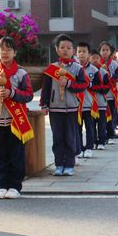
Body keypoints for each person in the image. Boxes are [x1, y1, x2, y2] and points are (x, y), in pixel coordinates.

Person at [0, 37, 34, 199]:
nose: (5, 52)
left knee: (16, 154)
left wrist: (12, 93)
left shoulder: (21, 73)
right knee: (0, 154)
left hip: (15, 121)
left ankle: (15, 186)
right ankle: (2, 185)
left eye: (8, 49)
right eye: (2, 49)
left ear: (15, 52)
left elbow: (28, 95)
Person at [41, 34, 89, 176]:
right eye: (62, 47)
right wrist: (44, 104)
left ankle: (69, 164)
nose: (65, 50)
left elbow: (83, 85)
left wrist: (68, 83)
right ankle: (59, 164)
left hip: (72, 108)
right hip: (55, 108)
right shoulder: (52, 68)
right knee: (57, 138)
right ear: (56, 49)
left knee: (70, 137)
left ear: (73, 50)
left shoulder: (77, 68)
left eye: (68, 48)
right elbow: (46, 89)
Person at [75, 42, 98, 158]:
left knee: (90, 127)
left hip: (89, 104)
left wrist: (89, 84)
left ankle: (89, 147)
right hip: (76, 105)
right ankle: (79, 149)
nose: (81, 54)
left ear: (89, 54)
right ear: (76, 53)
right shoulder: (73, 68)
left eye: (84, 51)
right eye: (79, 51)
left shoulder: (94, 70)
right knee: (77, 128)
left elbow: (99, 86)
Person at [99, 42, 118, 143]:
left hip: (111, 94)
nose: (105, 52)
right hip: (100, 95)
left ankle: (111, 134)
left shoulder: (114, 64)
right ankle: (103, 134)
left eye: (107, 50)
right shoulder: (96, 63)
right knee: (102, 116)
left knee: (111, 114)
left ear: (111, 52)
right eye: (103, 50)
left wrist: (110, 76)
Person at [89, 50, 111, 150]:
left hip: (101, 103)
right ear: (89, 58)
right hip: (90, 103)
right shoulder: (87, 70)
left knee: (102, 124)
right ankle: (93, 142)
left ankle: (102, 142)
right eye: (93, 58)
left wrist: (96, 88)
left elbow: (107, 87)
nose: (95, 60)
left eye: (97, 58)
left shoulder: (104, 72)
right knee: (91, 125)